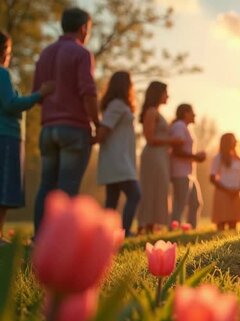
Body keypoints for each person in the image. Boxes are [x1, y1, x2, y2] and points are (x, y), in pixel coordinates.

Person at [32, 7, 99, 234]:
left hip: (48, 128)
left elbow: (38, 96)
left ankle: (40, 239)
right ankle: (62, 241)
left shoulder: (45, 53)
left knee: (46, 187)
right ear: (83, 28)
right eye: (88, 29)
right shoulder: (81, 53)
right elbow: (87, 92)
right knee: (67, 188)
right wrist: (97, 124)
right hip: (74, 129)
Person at [0, 32, 54, 240]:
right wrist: (40, 94)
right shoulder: (3, 74)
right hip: (6, 137)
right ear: (4, 51)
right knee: (4, 190)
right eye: (9, 51)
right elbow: (11, 104)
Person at [96, 71, 140, 237]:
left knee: (112, 199)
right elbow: (104, 130)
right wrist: (92, 139)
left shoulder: (118, 105)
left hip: (119, 157)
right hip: (117, 158)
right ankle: (124, 231)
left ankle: (105, 234)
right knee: (135, 194)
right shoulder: (117, 105)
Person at [137, 82, 182, 234]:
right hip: (153, 155)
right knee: (151, 188)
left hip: (161, 156)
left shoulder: (157, 112)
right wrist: (172, 141)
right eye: (165, 92)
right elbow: (149, 138)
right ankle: (145, 224)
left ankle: (153, 224)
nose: (167, 96)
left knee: (160, 188)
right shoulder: (151, 112)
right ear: (158, 93)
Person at [170, 104, 206, 229]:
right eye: (192, 112)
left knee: (196, 203)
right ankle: (173, 229)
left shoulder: (185, 128)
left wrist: (195, 157)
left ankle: (191, 229)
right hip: (180, 173)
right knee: (180, 203)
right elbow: (176, 151)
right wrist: (196, 157)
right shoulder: (179, 126)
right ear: (185, 113)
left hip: (190, 173)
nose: (195, 115)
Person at [210, 133, 240, 230]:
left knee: (233, 223)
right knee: (221, 222)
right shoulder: (218, 158)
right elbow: (212, 177)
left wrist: (239, 189)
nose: (235, 142)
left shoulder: (238, 159)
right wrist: (227, 190)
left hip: (236, 193)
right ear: (226, 142)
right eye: (233, 140)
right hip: (222, 193)